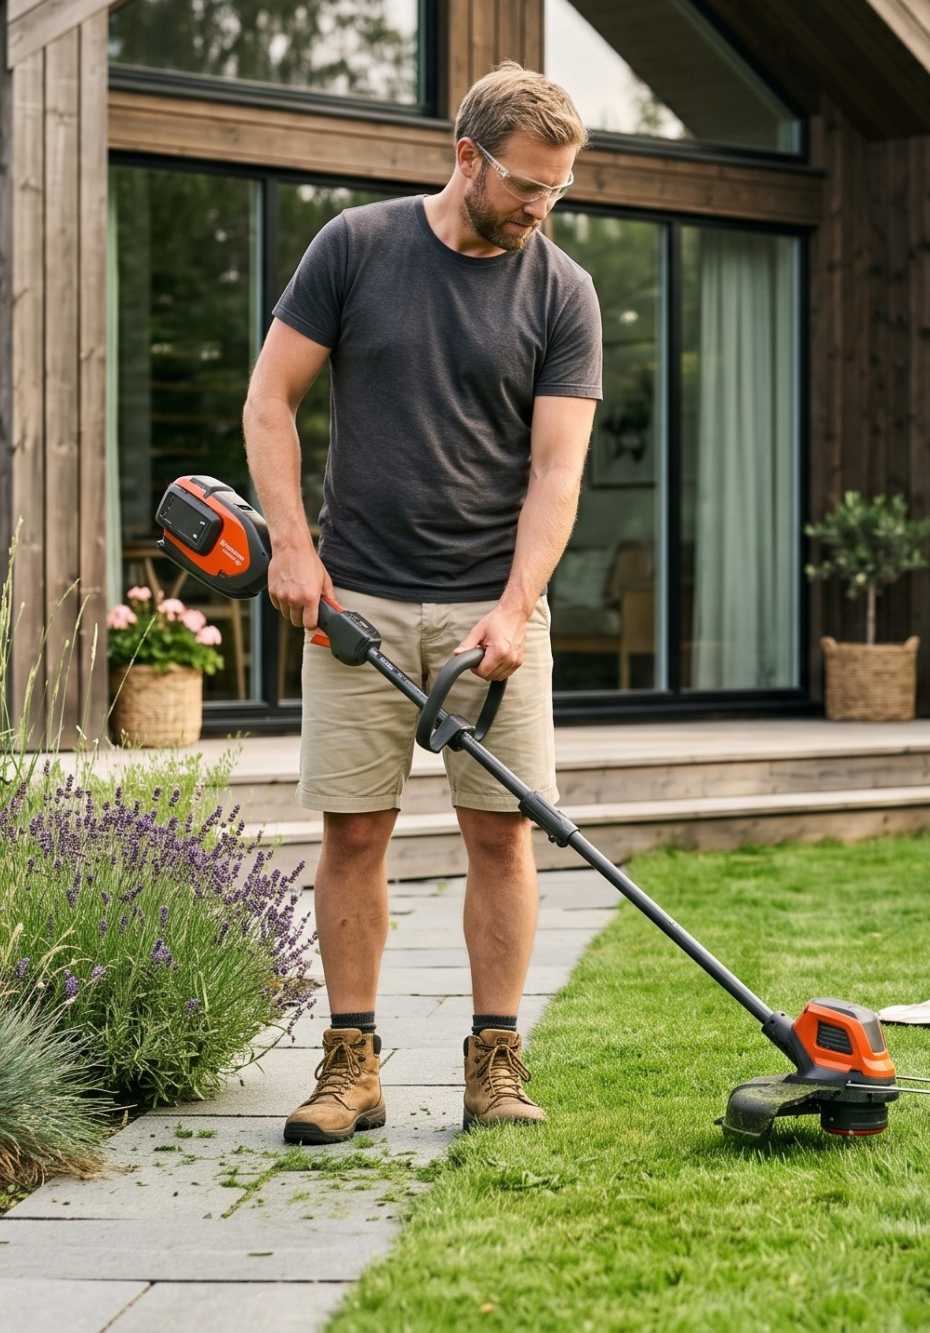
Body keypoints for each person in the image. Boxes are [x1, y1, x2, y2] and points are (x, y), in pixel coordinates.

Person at [243, 64, 601, 1143]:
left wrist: (515, 607)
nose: (541, 207)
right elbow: (270, 400)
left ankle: (495, 1062)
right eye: (527, 185)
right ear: (466, 156)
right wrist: (292, 547)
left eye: (559, 189)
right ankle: (350, 1067)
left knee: (501, 836)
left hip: (494, 611)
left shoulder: (562, 291)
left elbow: (557, 471)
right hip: (356, 600)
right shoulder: (355, 247)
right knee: (354, 834)